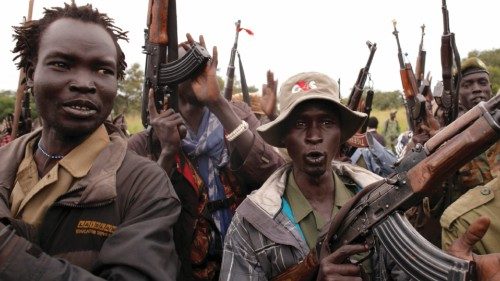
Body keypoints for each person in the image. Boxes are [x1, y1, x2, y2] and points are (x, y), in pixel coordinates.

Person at [0, 3, 180, 280]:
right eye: (61, 64)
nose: (85, 83)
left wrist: (8, 252)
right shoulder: (5, 162)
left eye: (102, 70)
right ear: (31, 73)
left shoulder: (144, 185)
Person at [127, 35, 284, 280]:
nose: (195, 74)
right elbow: (139, 215)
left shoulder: (236, 114)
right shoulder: (144, 143)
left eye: (199, 66)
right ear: (168, 77)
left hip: (246, 260)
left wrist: (218, 104)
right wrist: (167, 151)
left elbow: (274, 173)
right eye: (185, 66)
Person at [219, 72, 384, 280]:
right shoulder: (251, 222)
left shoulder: (378, 200)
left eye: (326, 123)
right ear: (283, 137)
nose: (314, 136)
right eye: (299, 124)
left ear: (341, 134)